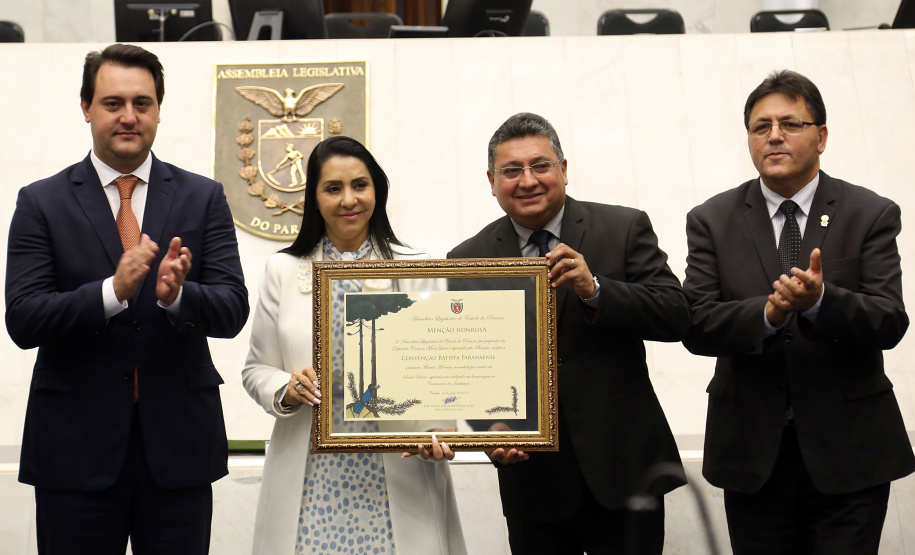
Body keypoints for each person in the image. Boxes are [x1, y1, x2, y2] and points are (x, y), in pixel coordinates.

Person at [4, 44, 249, 555]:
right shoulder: (40, 202)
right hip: (74, 451)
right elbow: (24, 320)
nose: (129, 116)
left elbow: (231, 309)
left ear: (159, 109)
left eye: (143, 103)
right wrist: (111, 293)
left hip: (177, 450)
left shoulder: (203, 197)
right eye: (113, 103)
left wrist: (179, 297)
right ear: (86, 108)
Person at [683, 69, 915, 554]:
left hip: (850, 451)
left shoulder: (869, 213)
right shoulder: (712, 219)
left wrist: (823, 302)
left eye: (790, 123)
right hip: (752, 453)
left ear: (821, 136)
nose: (774, 136)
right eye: (760, 126)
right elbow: (697, 324)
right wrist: (766, 313)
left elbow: (889, 320)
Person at [448, 112, 688, 554]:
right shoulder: (469, 257)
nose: (528, 181)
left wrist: (596, 289)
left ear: (563, 168)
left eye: (540, 166)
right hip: (532, 484)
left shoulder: (623, 227)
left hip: (624, 471)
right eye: (512, 170)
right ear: (491, 179)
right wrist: (488, 428)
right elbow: (467, 366)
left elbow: (676, 315)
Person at [242, 136, 466, 555]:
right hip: (311, 470)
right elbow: (256, 369)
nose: (349, 200)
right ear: (313, 197)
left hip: (400, 466)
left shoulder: (417, 268)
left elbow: (442, 368)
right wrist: (286, 389)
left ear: (376, 190)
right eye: (333, 188)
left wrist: (442, 429)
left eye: (359, 185)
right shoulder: (283, 270)